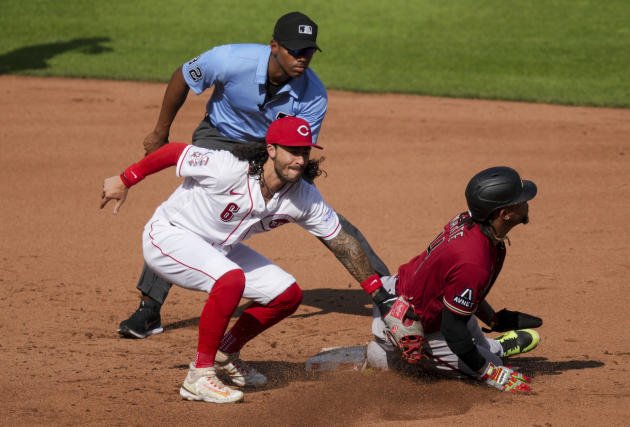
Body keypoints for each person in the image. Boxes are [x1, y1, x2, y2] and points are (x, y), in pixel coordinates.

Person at [118, 10, 389, 340]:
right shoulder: (232, 59)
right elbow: (183, 76)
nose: (304, 58)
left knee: (318, 212)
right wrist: (161, 132)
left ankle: (385, 292)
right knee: (193, 215)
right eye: (296, 50)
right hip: (218, 136)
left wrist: (303, 192)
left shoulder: (314, 94)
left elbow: (300, 146)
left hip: (272, 148)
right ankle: (149, 308)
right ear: (274, 46)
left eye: (309, 51)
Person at [101, 116, 379, 403]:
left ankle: (225, 352)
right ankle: (199, 376)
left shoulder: (303, 196)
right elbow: (174, 153)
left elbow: (342, 242)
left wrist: (379, 294)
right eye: (293, 151)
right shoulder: (228, 167)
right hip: (170, 235)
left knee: (287, 294)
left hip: (220, 246)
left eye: (305, 152)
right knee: (230, 280)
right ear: (271, 149)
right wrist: (125, 179)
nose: (300, 160)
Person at [359, 166, 543, 393]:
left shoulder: (471, 221)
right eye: (521, 200)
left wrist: (493, 320)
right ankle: (383, 356)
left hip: (402, 291)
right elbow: (452, 329)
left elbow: (457, 288)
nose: (526, 202)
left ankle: (492, 347)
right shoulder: (474, 260)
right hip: (407, 326)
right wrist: (489, 372)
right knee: (492, 366)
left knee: (472, 331)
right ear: (503, 214)